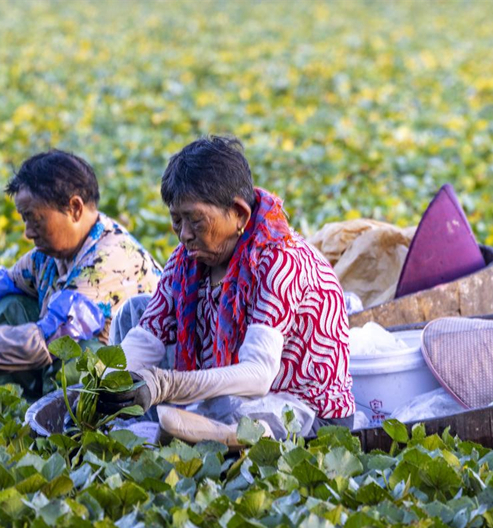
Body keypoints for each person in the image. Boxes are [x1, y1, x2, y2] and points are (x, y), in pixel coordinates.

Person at [110, 136, 355, 433]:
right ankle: (186, 424)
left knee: (228, 409)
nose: (184, 234)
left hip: (300, 409)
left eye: (195, 221)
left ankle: (200, 429)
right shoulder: (185, 259)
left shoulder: (280, 260)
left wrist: (167, 384)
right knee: (133, 313)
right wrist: (106, 386)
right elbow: (146, 338)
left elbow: (258, 375)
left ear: (239, 214)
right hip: (226, 392)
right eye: (177, 221)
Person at [0, 150, 162, 394]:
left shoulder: (110, 259)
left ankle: (64, 424)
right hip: (63, 353)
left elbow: (50, 339)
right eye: (24, 219)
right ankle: (9, 402)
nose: (28, 232)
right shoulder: (47, 257)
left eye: (34, 219)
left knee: (79, 354)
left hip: (137, 385)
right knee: (8, 307)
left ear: (74, 208)